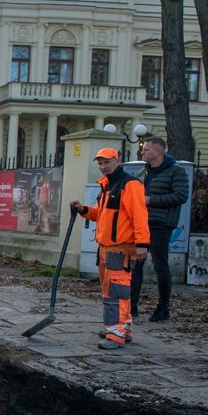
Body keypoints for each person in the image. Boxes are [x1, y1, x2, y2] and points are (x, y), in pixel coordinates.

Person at [70, 147, 150, 349]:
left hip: (120, 248)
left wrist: (142, 244)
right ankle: (124, 328)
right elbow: (103, 215)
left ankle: (115, 334)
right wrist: (84, 210)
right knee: (113, 290)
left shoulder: (129, 185)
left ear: (117, 160)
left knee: (116, 292)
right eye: (100, 163)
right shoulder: (108, 186)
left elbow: (139, 216)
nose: (103, 167)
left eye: (107, 162)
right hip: (107, 248)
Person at [131, 136, 189, 322]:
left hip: (161, 224)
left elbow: (180, 196)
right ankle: (131, 307)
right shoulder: (144, 172)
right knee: (135, 263)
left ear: (158, 151)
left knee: (160, 265)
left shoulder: (176, 171)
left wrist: (151, 200)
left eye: (146, 150)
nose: (142, 152)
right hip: (141, 223)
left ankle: (163, 308)